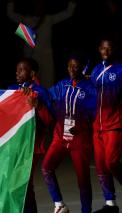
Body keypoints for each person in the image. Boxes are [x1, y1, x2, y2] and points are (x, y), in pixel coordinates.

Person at [90, 38, 122, 213]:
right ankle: (110, 203)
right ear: (99, 49)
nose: (106, 51)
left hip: (115, 125)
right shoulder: (96, 70)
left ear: (114, 50)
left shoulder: (121, 70)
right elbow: (91, 98)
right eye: (104, 48)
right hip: (98, 126)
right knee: (100, 165)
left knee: (111, 162)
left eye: (110, 48)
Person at [41, 55, 96, 213]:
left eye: (76, 66)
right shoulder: (62, 85)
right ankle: (59, 205)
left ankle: (86, 210)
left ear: (81, 68)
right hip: (60, 136)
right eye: (70, 66)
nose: (72, 69)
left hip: (80, 139)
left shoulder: (90, 88)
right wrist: (34, 88)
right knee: (46, 168)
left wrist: (81, 125)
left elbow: (93, 113)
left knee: (82, 179)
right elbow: (46, 95)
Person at [8, 57, 54, 213]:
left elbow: (49, 120)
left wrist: (38, 105)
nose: (17, 72)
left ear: (32, 73)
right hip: (14, 143)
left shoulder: (40, 92)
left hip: (32, 145)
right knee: (20, 183)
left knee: (23, 183)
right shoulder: (12, 90)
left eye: (22, 69)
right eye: (17, 69)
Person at [7, 0, 76, 88]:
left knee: (48, 82)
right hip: (30, 58)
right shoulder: (26, 19)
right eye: (36, 5)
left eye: (41, 5)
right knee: (29, 83)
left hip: (46, 57)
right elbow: (10, 14)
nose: (38, 8)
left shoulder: (48, 19)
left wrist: (72, 3)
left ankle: (47, 100)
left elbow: (67, 13)